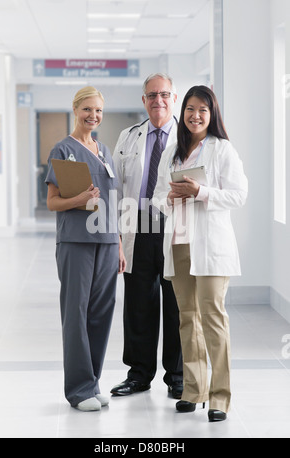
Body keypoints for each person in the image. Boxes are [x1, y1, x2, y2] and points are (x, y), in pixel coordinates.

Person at [153, 85, 248, 422]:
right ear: (184, 113)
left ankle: (220, 397)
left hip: (210, 245)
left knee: (212, 317)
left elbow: (238, 195)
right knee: (187, 317)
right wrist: (171, 199)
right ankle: (194, 390)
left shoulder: (222, 149)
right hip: (179, 241)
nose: (195, 116)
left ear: (212, 115)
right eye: (190, 109)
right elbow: (157, 196)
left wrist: (201, 192)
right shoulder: (173, 151)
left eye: (202, 111)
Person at [45, 86, 126, 412]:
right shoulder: (63, 150)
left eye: (99, 111)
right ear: (76, 109)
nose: (93, 116)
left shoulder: (105, 151)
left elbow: (113, 203)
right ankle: (78, 391)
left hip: (107, 242)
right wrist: (79, 201)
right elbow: (53, 202)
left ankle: (92, 382)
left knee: (101, 314)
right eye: (87, 109)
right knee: (76, 315)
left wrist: (119, 244)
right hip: (76, 242)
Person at [111, 73, 183, 398]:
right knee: (138, 304)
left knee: (176, 303)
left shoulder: (190, 138)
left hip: (174, 228)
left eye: (164, 94)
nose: (158, 101)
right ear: (144, 100)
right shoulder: (128, 137)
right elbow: (114, 190)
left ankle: (178, 377)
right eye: (152, 95)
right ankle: (138, 374)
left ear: (174, 98)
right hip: (137, 227)